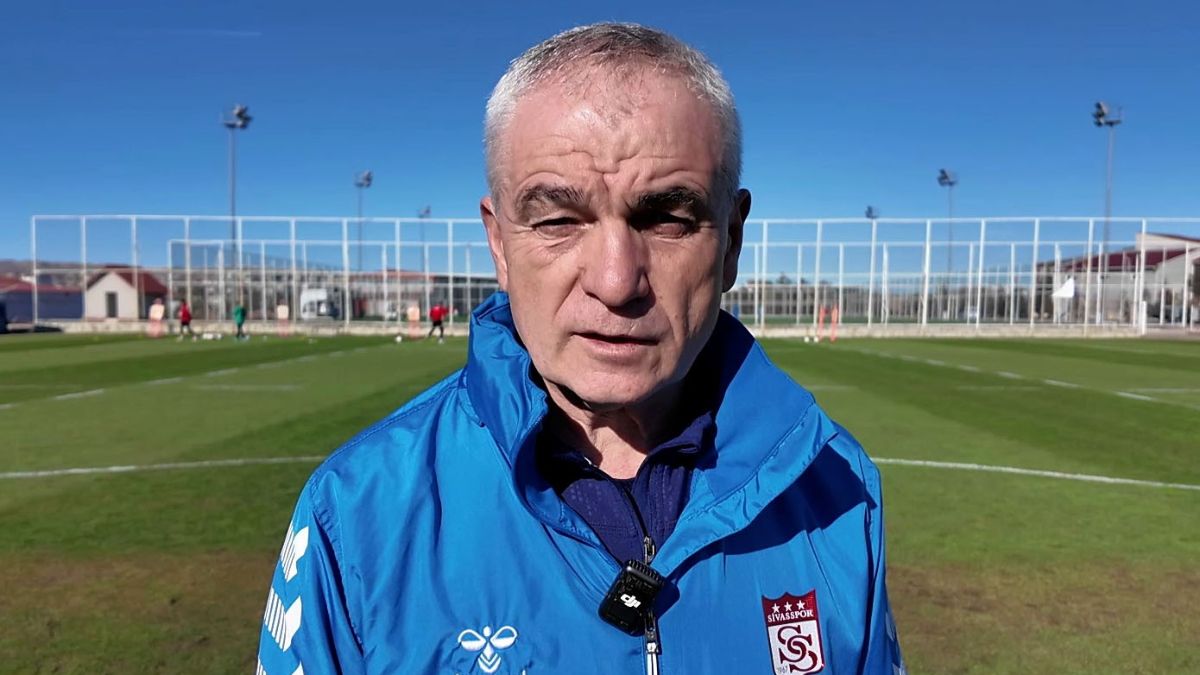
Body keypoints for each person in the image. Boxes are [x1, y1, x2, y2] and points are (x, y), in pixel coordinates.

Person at [258, 23, 903, 675]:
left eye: (667, 218)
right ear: (499, 244)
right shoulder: (356, 510)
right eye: (558, 220)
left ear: (731, 240)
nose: (616, 281)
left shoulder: (838, 489)